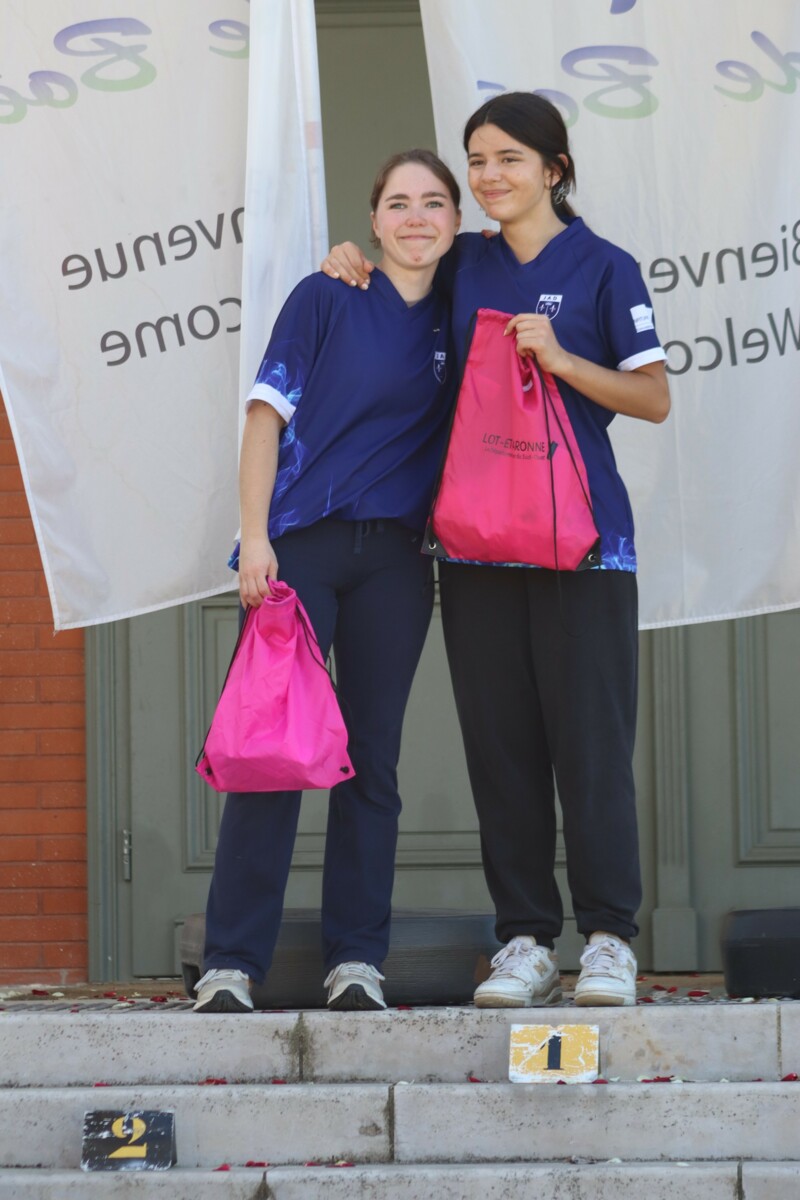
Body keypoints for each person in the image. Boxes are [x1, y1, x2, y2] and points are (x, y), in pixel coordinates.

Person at [322, 92, 670, 1008]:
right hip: (476, 552)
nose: (487, 176)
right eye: (476, 159)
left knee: (591, 750)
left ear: (555, 169)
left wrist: (563, 360)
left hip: (584, 551)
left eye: (509, 158)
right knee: (501, 752)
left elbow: (652, 396)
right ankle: (525, 939)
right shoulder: (464, 262)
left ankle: (609, 939)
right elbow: (398, 277)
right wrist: (350, 260)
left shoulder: (606, 268)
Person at [194, 149, 461, 1014]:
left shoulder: (465, 312)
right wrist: (255, 536)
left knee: (371, 762)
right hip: (301, 549)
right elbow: (264, 416)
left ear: (456, 222)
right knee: (271, 755)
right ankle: (231, 963)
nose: (416, 218)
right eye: (398, 203)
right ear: (372, 220)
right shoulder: (325, 296)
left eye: (434, 203)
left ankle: (356, 961)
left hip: (397, 561)